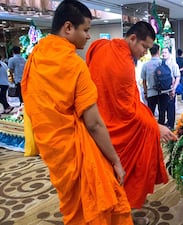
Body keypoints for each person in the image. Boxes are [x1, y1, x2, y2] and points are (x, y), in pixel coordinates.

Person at [21, 1, 133, 225]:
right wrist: (116, 161)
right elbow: (94, 124)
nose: (88, 36)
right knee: (101, 202)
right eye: (86, 30)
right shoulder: (74, 65)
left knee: (75, 206)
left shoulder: (36, 56)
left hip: (52, 150)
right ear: (68, 27)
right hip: (76, 149)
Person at [86, 21, 177, 209]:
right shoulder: (124, 65)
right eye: (144, 47)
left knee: (104, 176)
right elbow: (128, 109)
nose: (145, 52)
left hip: (95, 121)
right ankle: (118, 212)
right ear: (133, 38)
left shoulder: (99, 45)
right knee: (124, 174)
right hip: (112, 127)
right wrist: (155, 126)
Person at [141, 43, 169, 121]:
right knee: (162, 113)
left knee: (151, 114)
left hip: (151, 92)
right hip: (163, 91)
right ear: (158, 51)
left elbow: (144, 81)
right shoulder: (164, 63)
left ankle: (152, 130)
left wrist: (145, 93)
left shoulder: (145, 65)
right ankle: (162, 129)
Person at [161, 47, 180, 130]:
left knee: (171, 108)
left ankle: (171, 125)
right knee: (162, 108)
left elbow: (177, 77)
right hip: (161, 90)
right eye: (163, 52)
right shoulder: (160, 64)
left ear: (169, 54)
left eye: (165, 52)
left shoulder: (173, 65)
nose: (164, 54)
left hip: (170, 90)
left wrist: (174, 88)